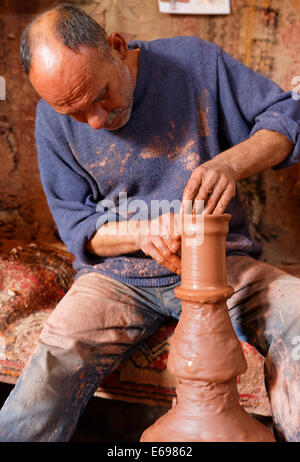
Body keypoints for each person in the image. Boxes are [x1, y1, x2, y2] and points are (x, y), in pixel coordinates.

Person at [0, 3, 299, 442]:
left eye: (99, 95)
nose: (96, 121)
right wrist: (140, 232)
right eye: (75, 112)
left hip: (221, 263)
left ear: (117, 47)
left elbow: (288, 118)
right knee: (46, 377)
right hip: (118, 278)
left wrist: (230, 164)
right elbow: (77, 226)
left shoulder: (196, 63)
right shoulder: (52, 118)